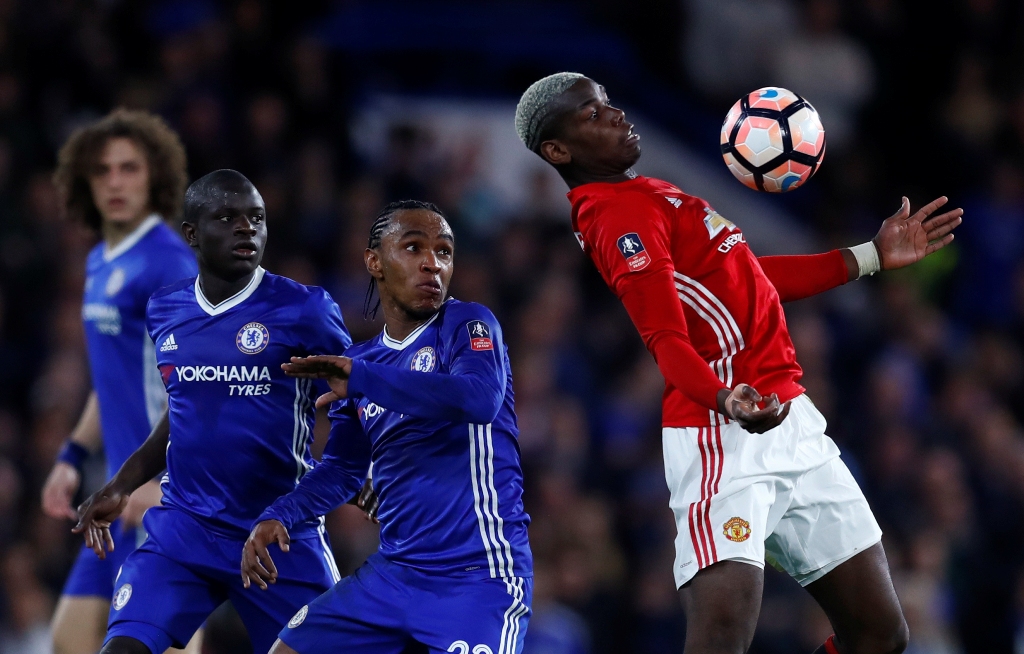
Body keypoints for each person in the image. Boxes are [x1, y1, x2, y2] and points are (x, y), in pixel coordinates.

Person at [515, 73, 964, 654]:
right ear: (558, 151)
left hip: (790, 420)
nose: (616, 114)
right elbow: (665, 339)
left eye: (608, 103)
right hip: (723, 436)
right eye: (592, 114)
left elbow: (748, 279)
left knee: (879, 635)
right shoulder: (615, 216)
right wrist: (725, 399)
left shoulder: (648, 192)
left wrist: (870, 255)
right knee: (721, 640)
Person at [73, 169, 354, 654]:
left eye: (256, 218)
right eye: (227, 218)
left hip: (279, 535)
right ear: (192, 234)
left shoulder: (306, 310)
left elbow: (359, 399)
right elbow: (182, 412)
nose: (246, 228)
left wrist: (359, 469)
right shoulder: (165, 310)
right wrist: (121, 485)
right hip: (186, 531)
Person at [240, 200, 532, 654]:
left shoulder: (466, 324)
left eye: (444, 251)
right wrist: (281, 513)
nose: (432, 263)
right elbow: (343, 470)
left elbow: (479, 399)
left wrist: (362, 379)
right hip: (392, 576)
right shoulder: (360, 363)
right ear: (374, 261)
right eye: (413, 247)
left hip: (477, 579)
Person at [45, 109, 198, 654]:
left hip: (165, 498)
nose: (115, 182)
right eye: (102, 170)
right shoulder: (98, 262)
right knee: (70, 641)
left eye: (129, 168)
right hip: (116, 497)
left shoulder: (169, 264)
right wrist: (70, 455)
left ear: (154, 177)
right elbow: (109, 379)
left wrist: (166, 483)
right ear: (84, 182)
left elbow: (205, 381)